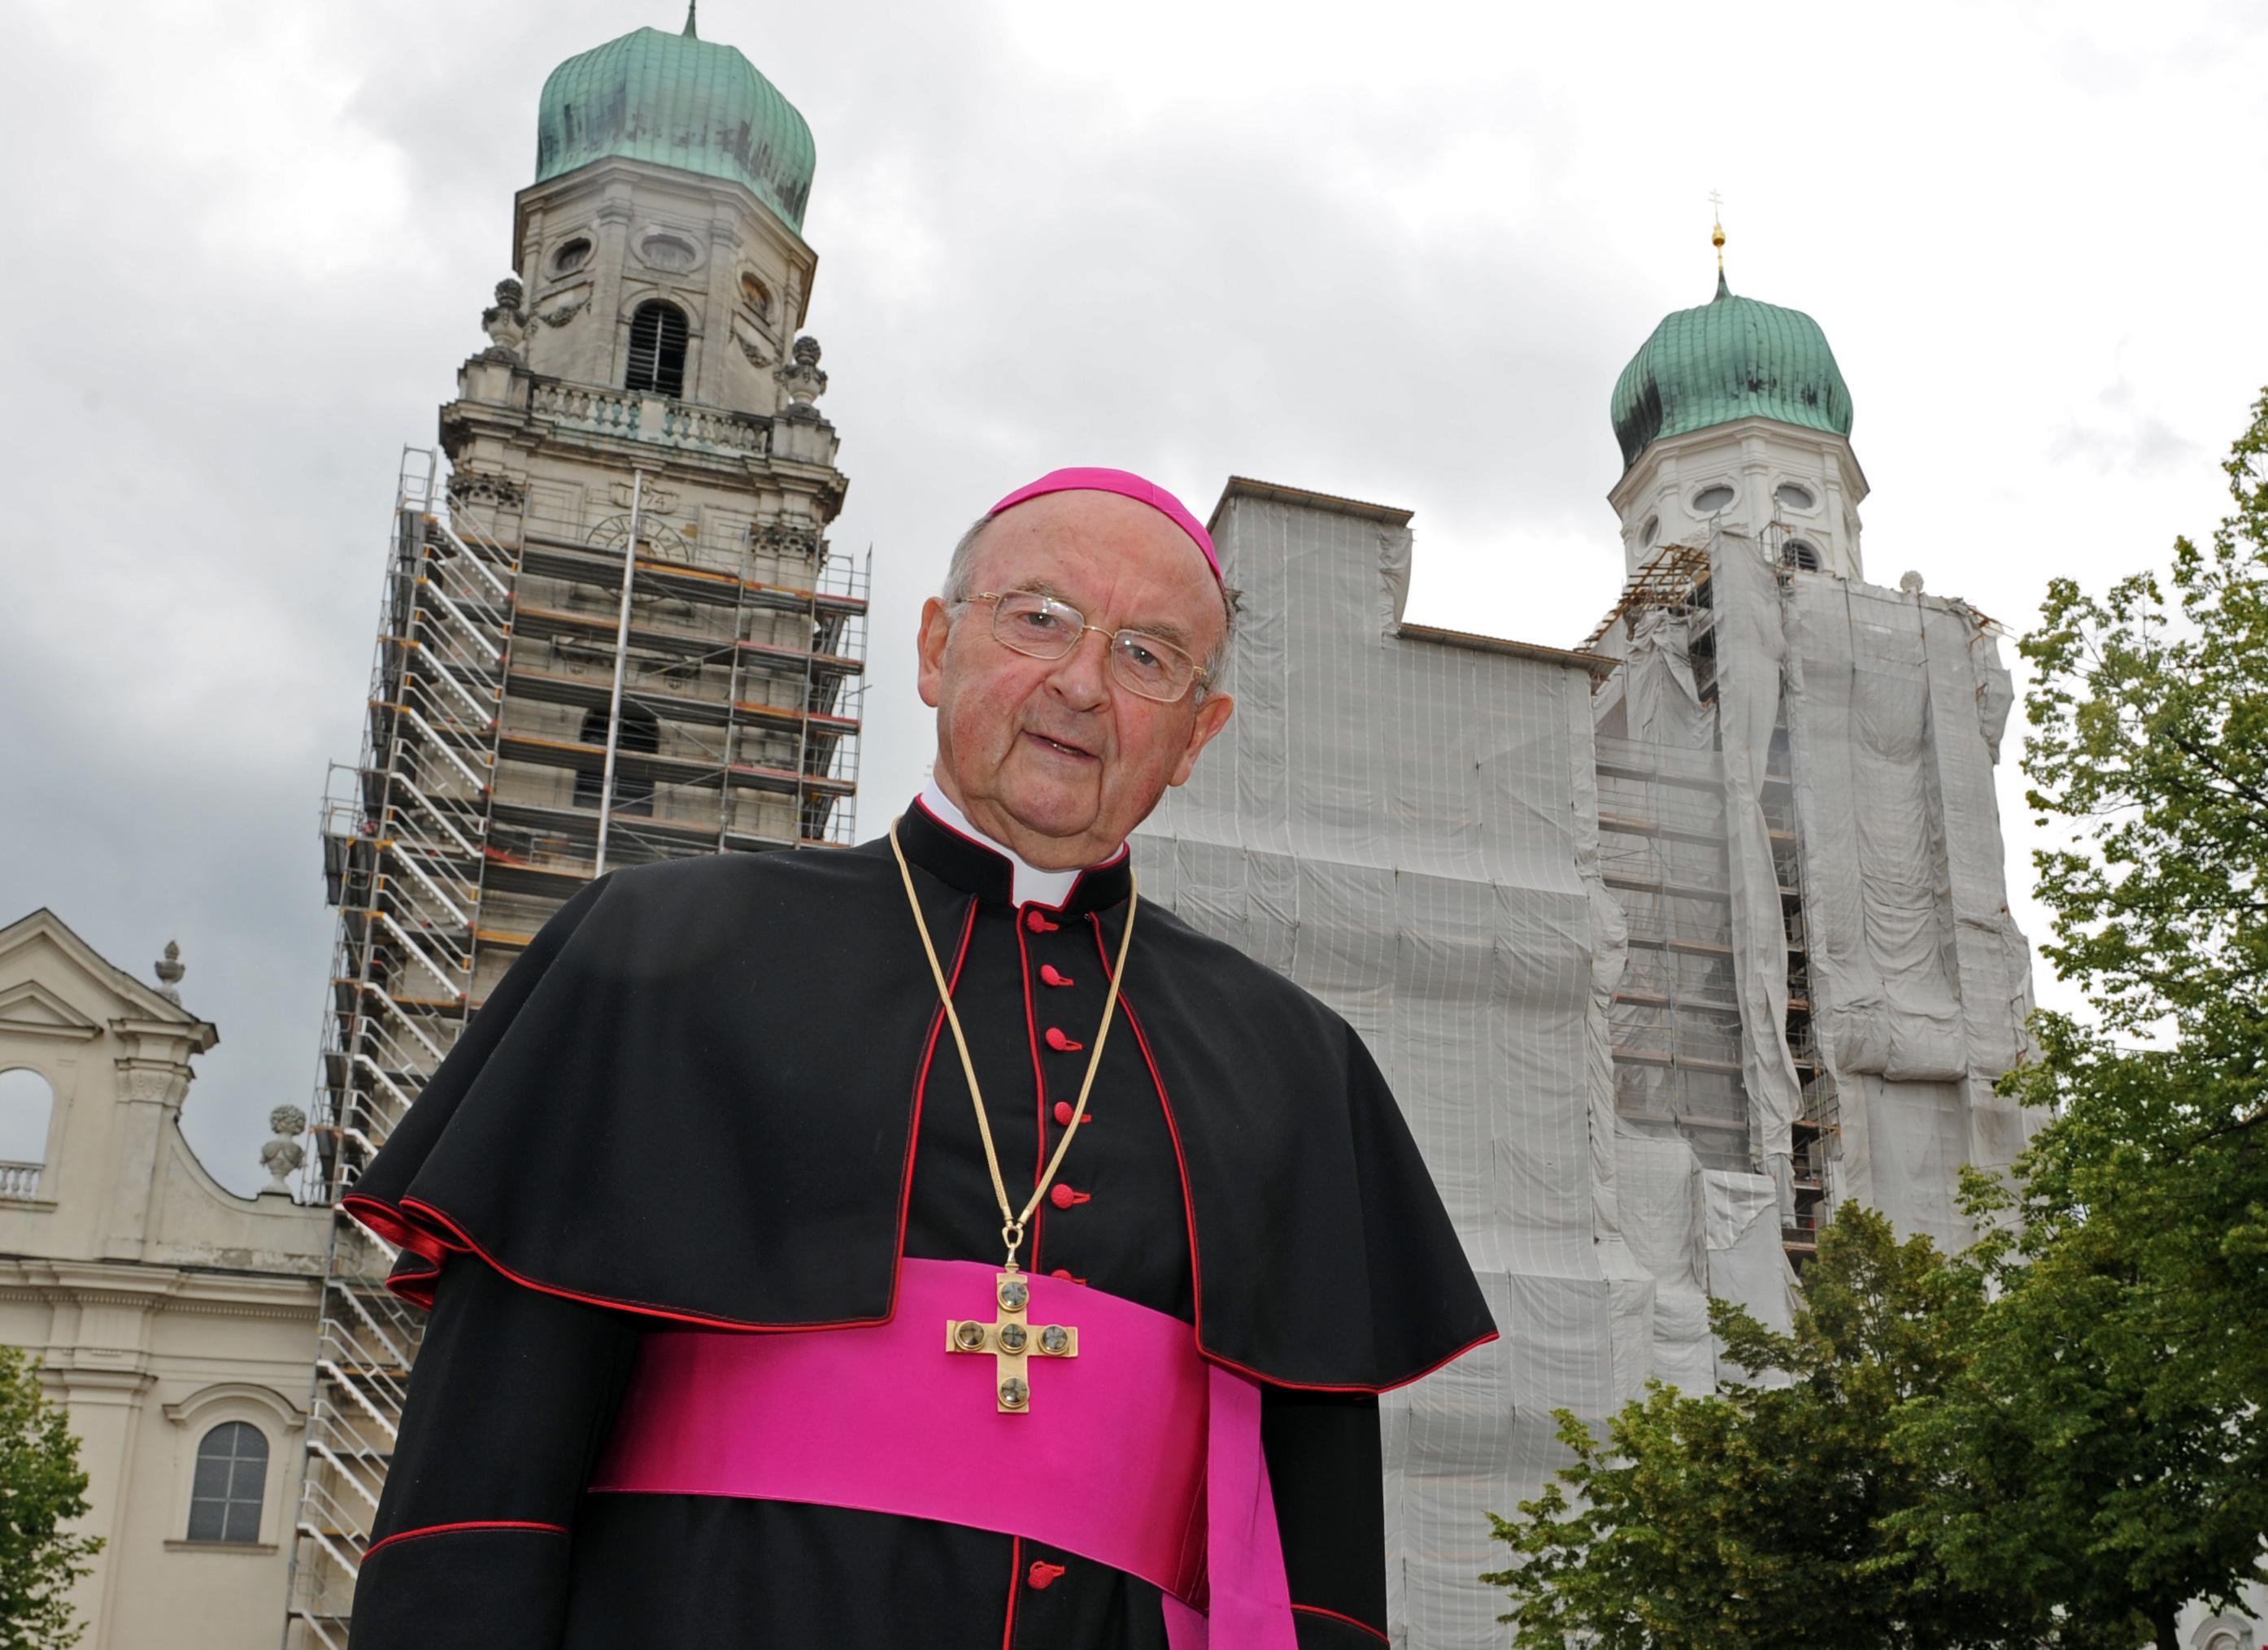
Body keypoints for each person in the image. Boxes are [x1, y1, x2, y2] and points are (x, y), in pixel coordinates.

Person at [345, 468, 1496, 1649]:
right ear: (937, 647)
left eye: (1148, 656)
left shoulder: (1298, 1066)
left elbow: (1322, 1577)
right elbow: (475, 1498)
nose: (1082, 684)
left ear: (1197, 735)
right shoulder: (658, 952)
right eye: (1038, 618)